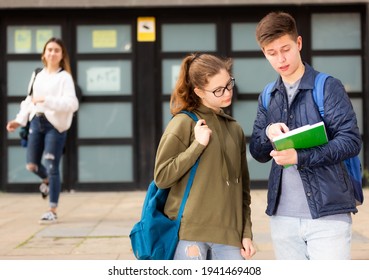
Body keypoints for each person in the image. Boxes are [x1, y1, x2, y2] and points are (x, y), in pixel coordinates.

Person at [249, 11, 362, 260]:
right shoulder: (268, 95)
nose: (281, 58)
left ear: (299, 43)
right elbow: (257, 153)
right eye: (271, 53)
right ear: (264, 53)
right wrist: (268, 132)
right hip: (282, 218)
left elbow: (351, 141)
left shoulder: (328, 87)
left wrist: (300, 157)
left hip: (328, 215)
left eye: (285, 49)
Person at [154, 53, 256, 260]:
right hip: (189, 235)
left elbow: (242, 189)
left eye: (229, 84)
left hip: (230, 235)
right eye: (218, 90)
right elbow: (162, 177)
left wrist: (246, 233)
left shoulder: (234, 128)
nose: (227, 93)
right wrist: (197, 146)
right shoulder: (182, 123)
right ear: (199, 91)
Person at [6, 37, 79, 224]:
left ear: (62, 55)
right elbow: (29, 100)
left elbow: (73, 104)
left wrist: (47, 100)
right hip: (36, 123)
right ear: (44, 54)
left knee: (52, 165)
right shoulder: (37, 74)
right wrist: (19, 120)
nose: (52, 53)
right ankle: (46, 180)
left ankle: (52, 209)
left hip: (55, 126)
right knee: (31, 164)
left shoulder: (65, 77)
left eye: (56, 50)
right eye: (49, 50)